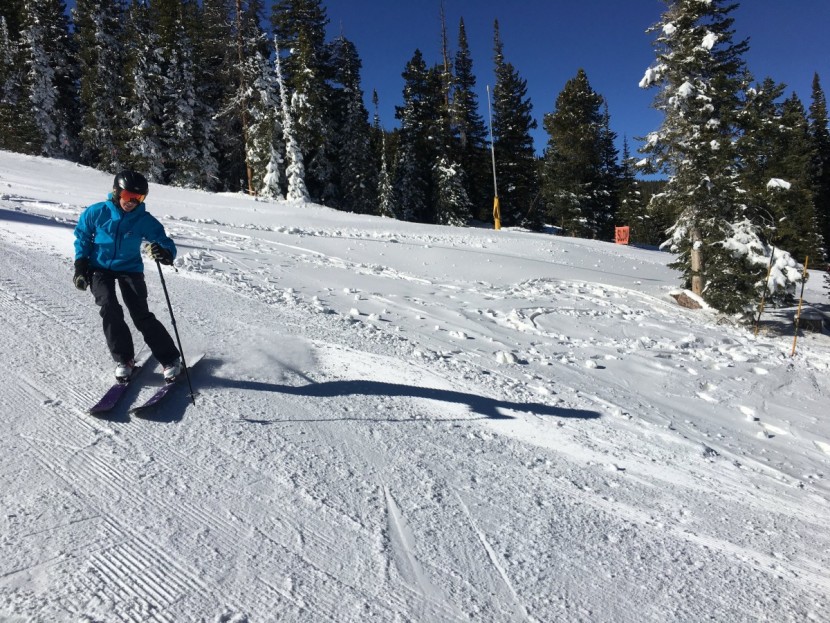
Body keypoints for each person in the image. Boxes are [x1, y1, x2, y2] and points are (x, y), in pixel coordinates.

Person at [73, 170, 182, 383]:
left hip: (129, 268)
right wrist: (80, 265)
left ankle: (170, 359)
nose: (131, 202)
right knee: (109, 308)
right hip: (99, 268)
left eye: (138, 198)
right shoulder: (97, 212)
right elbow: (82, 237)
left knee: (140, 314)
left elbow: (163, 240)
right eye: (127, 196)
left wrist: (165, 253)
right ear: (116, 192)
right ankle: (125, 360)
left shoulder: (143, 219)